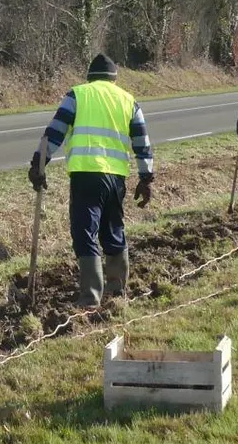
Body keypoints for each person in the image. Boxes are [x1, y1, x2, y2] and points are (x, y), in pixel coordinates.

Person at [28, 53, 154, 306]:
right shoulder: (128, 100)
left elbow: (54, 132)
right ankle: (117, 292)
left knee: (85, 232)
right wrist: (146, 177)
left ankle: (90, 298)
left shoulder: (78, 95)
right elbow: (142, 141)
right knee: (113, 230)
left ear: (89, 76)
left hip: (86, 174)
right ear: (114, 79)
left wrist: (38, 163)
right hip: (116, 177)